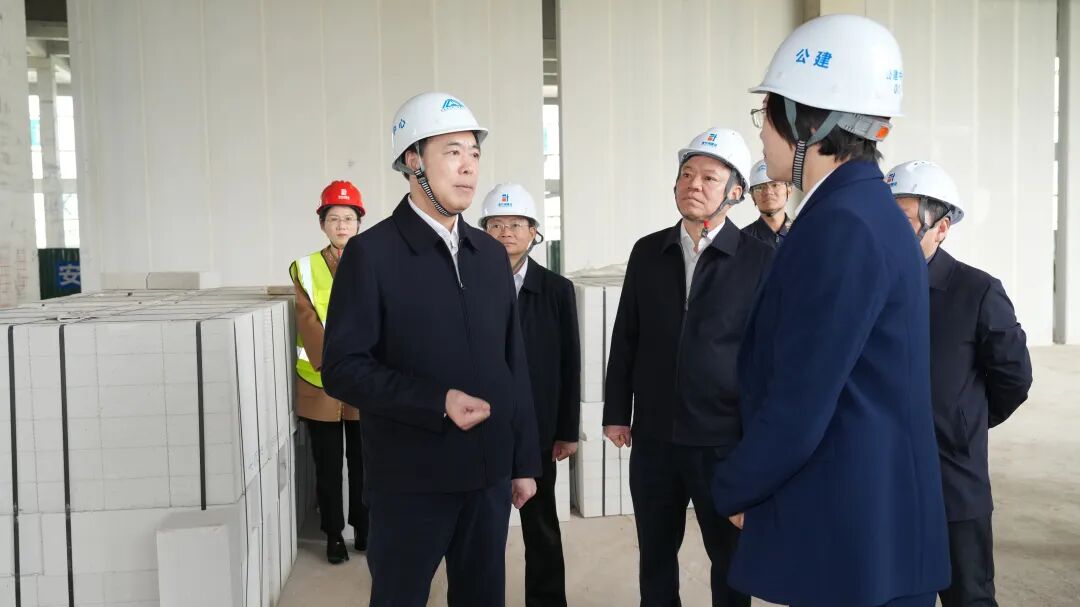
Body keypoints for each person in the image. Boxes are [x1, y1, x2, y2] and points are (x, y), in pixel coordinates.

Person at [709, 14, 951, 607]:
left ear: (806, 123)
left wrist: (736, 484)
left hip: (852, 534)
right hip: (870, 527)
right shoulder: (865, 212)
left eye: (767, 114)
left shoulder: (841, 226)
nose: (762, 135)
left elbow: (802, 397)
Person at [321, 92, 540, 607]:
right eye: (452, 152)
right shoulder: (372, 255)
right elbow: (343, 368)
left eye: (475, 153)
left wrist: (523, 459)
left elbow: (514, 362)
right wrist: (435, 401)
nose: (469, 167)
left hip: (487, 477)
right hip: (409, 481)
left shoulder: (489, 255)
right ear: (413, 160)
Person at [603, 127, 773, 607]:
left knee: (730, 558)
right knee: (655, 555)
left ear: (735, 192)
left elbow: (769, 358)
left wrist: (760, 439)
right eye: (686, 174)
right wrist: (616, 412)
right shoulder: (648, 251)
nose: (693, 185)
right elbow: (626, 335)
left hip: (723, 441)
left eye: (709, 178)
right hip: (655, 437)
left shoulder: (760, 260)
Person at [887, 159, 1033, 607]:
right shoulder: (869, 288)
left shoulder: (977, 291)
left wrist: (964, 420)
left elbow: (1014, 376)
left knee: (968, 595)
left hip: (954, 481)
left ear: (942, 227)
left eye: (903, 220)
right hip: (883, 480)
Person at [480, 182, 581, 607]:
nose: (506, 232)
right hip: (481, 428)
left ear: (534, 231)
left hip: (536, 430)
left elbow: (570, 363)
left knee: (541, 526)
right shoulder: (468, 285)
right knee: (481, 531)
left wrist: (567, 430)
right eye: (496, 225)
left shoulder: (556, 289)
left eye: (516, 224)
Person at [288, 179, 368, 564]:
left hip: (364, 381)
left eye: (348, 218)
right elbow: (308, 321)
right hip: (319, 382)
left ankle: (365, 528)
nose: (341, 225)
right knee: (328, 465)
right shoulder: (304, 268)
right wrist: (338, 362)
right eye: (334, 218)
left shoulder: (375, 263)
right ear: (322, 224)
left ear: (358, 223)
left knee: (365, 463)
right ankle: (334, 534)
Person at [741, 159, 793, 248]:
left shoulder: (804, 233)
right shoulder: (742, 240)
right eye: (759, 187)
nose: (768, 192)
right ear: (753, 196)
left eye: (775, 185)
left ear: (789, 190)